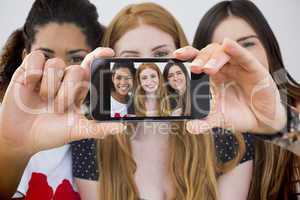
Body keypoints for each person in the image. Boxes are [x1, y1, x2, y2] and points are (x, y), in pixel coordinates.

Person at [0, 2, 286, 200]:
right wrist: (9, 148)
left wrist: (279, 123)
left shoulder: (225, 136)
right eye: (131, 60)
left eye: (161, 56)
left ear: (183, 58)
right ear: (114, 71)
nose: (149, 72)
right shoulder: (90, 144)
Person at [192, 1, 300, 200]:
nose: (237, 58)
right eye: (221, 53)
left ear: (269, 48)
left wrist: (280, 124)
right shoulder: (202, 130)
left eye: (248, 44)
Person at [0, 0, 104, 198]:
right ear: (25, 58)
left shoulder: (104, 130)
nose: (58, 70)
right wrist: (10, 150)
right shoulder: (5, 122)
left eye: (76, 58)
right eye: (45, 57)